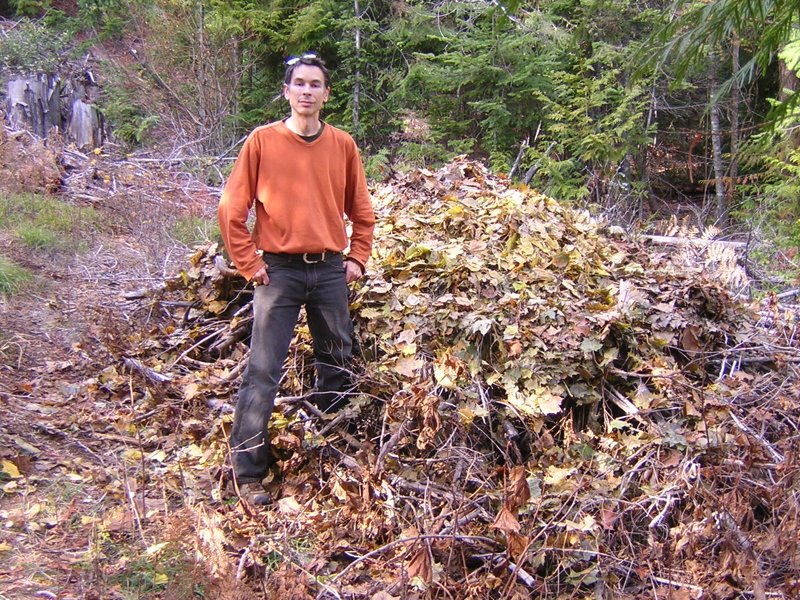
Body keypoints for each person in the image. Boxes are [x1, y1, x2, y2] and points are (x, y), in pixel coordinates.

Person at [217, 53, 375, 505]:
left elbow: (362, 210)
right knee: (263, 371)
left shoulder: (342, 145)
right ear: (287, 92)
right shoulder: (262, 142)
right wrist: (249, 263)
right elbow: (231, 209)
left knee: (336, 363)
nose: (307, 91)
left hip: (328, 269)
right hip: (279, 272)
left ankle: (332, 454)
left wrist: (357, 258)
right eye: (299, 84)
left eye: (315, 84)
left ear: (326, 94)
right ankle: (249, 474)